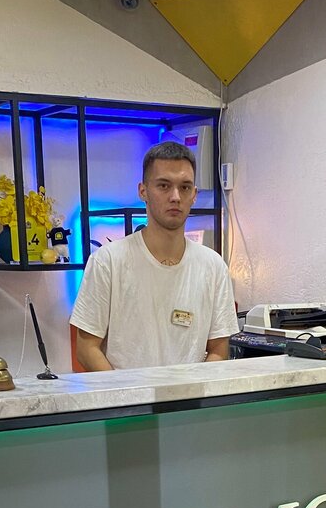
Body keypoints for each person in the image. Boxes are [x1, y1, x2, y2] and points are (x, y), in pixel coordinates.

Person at [71, 141, 238, 370]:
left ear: (194, 195)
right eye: (164, 186)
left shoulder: (213, 266)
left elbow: (219, 350)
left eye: (185, 187)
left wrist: (193, 389)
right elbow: (86, 348)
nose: (175, 196)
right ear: (143, 191)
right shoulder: (108, 261)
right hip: (127, 392)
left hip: (191, 393)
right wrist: (128, 391)